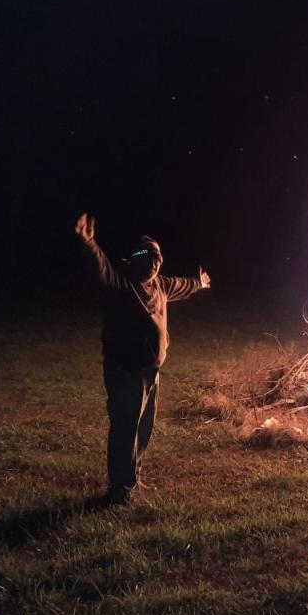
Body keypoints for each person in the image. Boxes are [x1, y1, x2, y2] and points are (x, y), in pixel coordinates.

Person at [74, 212, 211, 504]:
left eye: (158, 257)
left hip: (151, 372)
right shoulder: (121, 286)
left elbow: (184, 285)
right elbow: (100, 268)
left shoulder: (160, 285)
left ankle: (131, 479)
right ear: (131, 260)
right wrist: (88, 242)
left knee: (143, 428)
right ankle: (119, 489)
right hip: (125, 372)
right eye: (148, 256)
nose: (154, 262)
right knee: (126, 429)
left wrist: (199, 282)